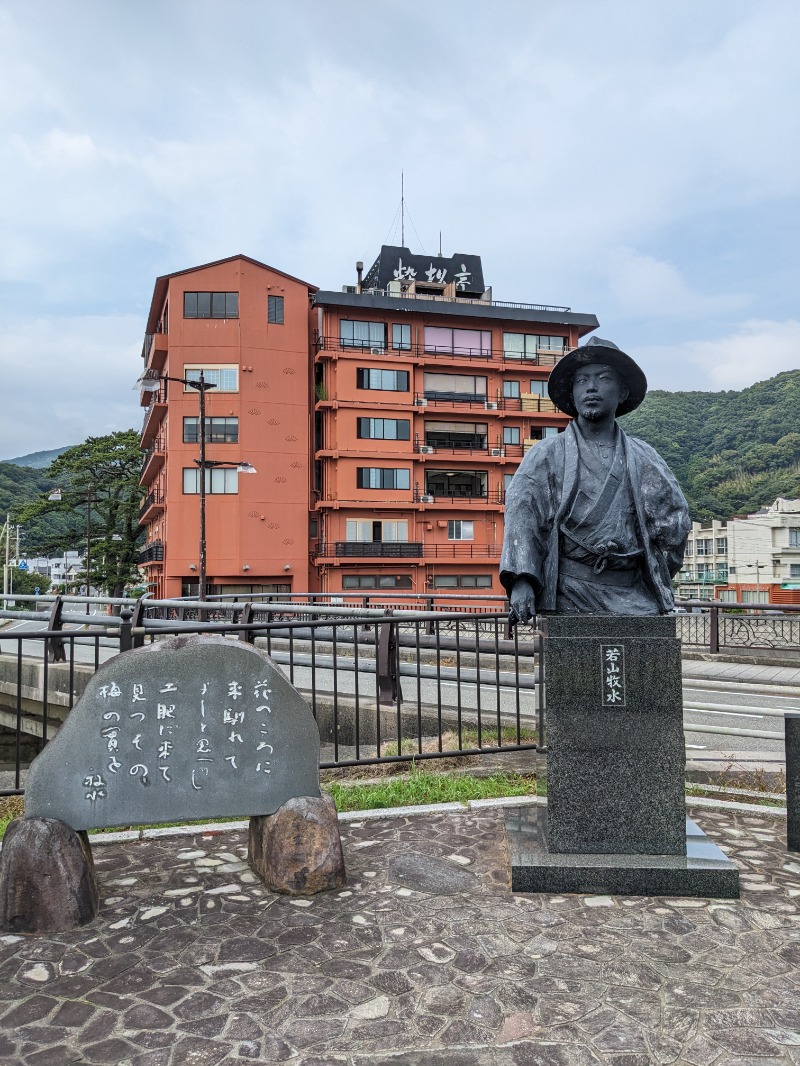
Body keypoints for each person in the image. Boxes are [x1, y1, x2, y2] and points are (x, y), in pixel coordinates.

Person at [500, 337, 690, 620]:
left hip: (633, 592)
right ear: (572, 393)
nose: (591, 387)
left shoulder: (644, 456)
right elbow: (523, 516)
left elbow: (674, 523)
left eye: (603, 378)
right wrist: (523, 580)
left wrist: (654, 570)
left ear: (622, 391)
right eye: (581, 381)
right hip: (569, 589)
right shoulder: (546, 454)